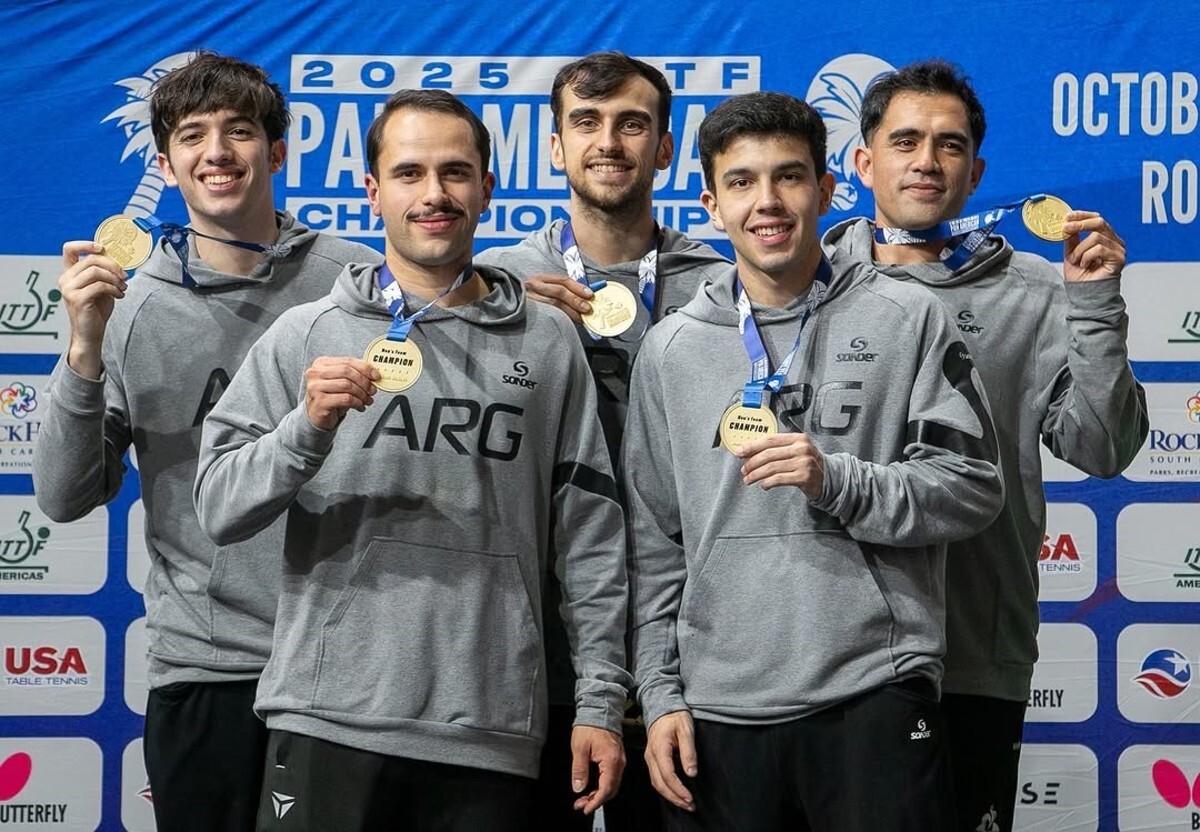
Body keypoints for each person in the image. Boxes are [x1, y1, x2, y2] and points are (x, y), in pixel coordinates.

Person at [193, 88, 631, 831]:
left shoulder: (548, 342)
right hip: (328, 716)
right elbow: (219, 509)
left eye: (456, 172)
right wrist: (306, 428)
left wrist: (599, 703)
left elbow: (590, 538)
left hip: (488, 728)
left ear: (488, 189)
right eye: (409, 173)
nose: (434, 194)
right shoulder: (310, 332)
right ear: (372, 192)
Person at [623, 91, 1004, 831]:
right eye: (741, 182)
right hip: (718, 708)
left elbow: (973, 487)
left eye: (789, 177)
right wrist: (660, 693)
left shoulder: (906, 316)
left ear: (828, 190)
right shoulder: (670, 348)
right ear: (711, 202)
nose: (767, 202)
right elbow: (651, 543)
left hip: (872, 689)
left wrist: (838, 479)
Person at [31, 51, 380, 832]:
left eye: (240, 131)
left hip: (350, 665)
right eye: (193, 135)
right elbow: (60, 497)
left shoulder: (359, 281)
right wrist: (83, 350)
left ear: (278, 151)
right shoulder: (126, 304)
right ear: (166, 162)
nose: (217, 152)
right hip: (209, 668)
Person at [822, 58, 1148, 832]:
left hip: (970, 654)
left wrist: (1095, 306)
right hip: (822, 649)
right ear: (864, 161)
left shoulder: (1036, 291)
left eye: (949, 144)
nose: (927, 161)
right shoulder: (804, 283)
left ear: (977, 171)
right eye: (905, 141)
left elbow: (1103, 449)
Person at [475, 51, 728, 830]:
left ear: (664, 148)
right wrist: (501, 318)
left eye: (631, 124)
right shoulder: (490, 286)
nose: (608, 142)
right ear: (555, 146)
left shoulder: (727, 289)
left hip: (688, 655)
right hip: (532, 655)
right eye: (585, 123)